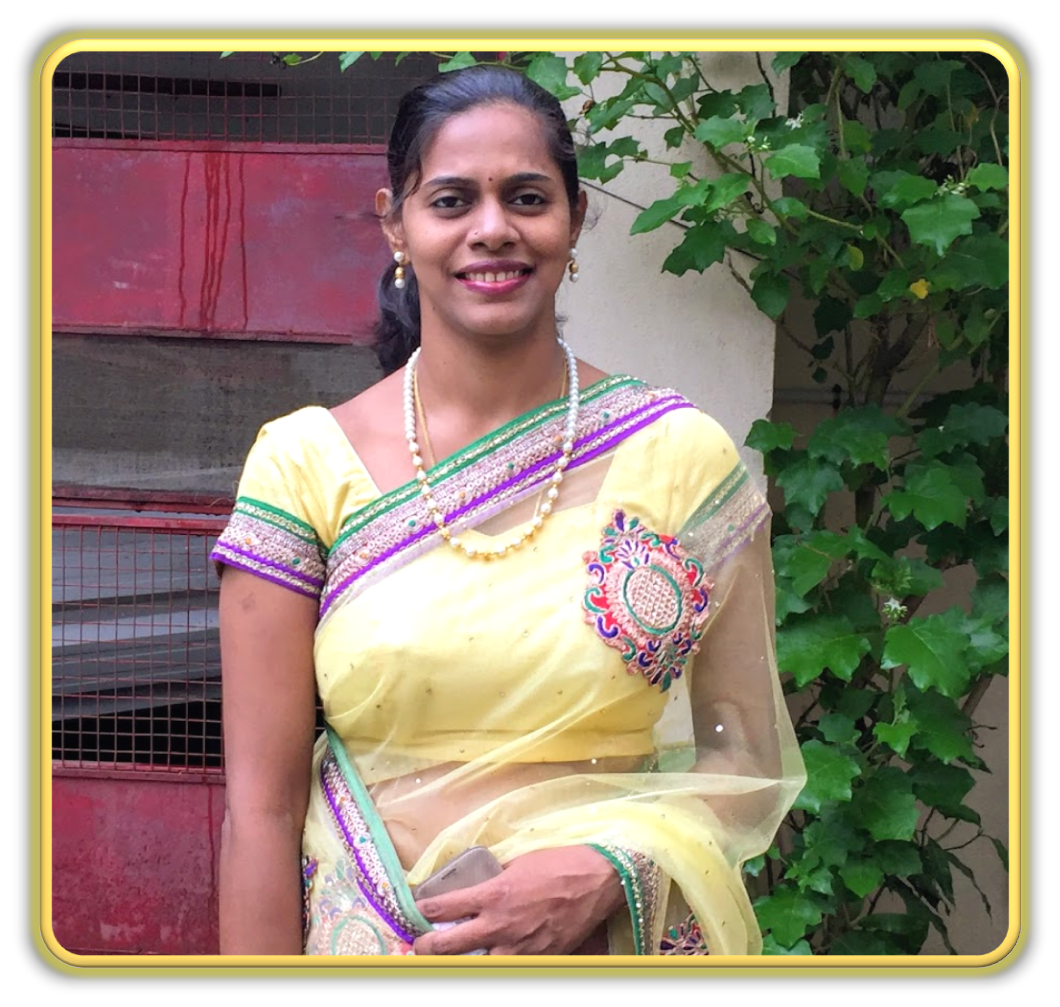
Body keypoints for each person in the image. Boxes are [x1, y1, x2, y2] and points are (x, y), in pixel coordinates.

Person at [213, 65, 805, 957]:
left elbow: (747, 758)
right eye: (452, 200)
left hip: (611, 940)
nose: (492, 228)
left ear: (574, 218)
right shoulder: (304, 466)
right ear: (396, 224)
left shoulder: (679, 456)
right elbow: (261, 807)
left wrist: (613, 866)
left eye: (527, 197)